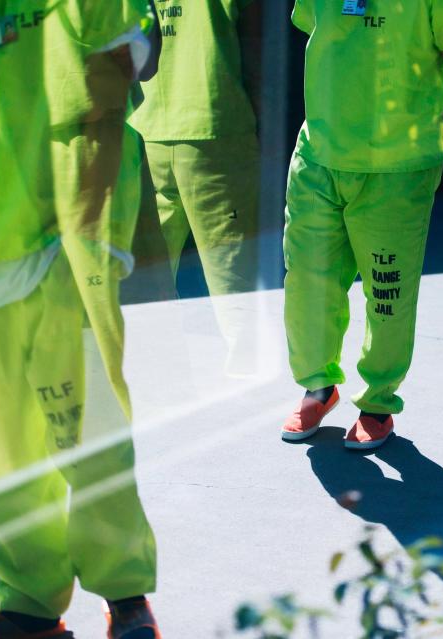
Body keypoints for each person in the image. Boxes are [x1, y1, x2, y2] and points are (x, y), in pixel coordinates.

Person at [0, 2, 162, 637]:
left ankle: (124, 592)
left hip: (57, 233)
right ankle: (28, 601)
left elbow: (135, 52)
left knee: (88, 434)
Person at [281, 0, 443, 450]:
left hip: (396, 169)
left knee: (388, 290)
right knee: (309, 280)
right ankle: (318, 386)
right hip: (318, 156)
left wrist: (410, 123)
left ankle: (377, 402)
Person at [129, 0, 263, 374]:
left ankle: (152, 372)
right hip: (216, 122)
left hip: (145, 125)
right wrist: (260, 118)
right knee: (232, 270)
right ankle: (246, 377)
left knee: (146, 275)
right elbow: (256, 40)